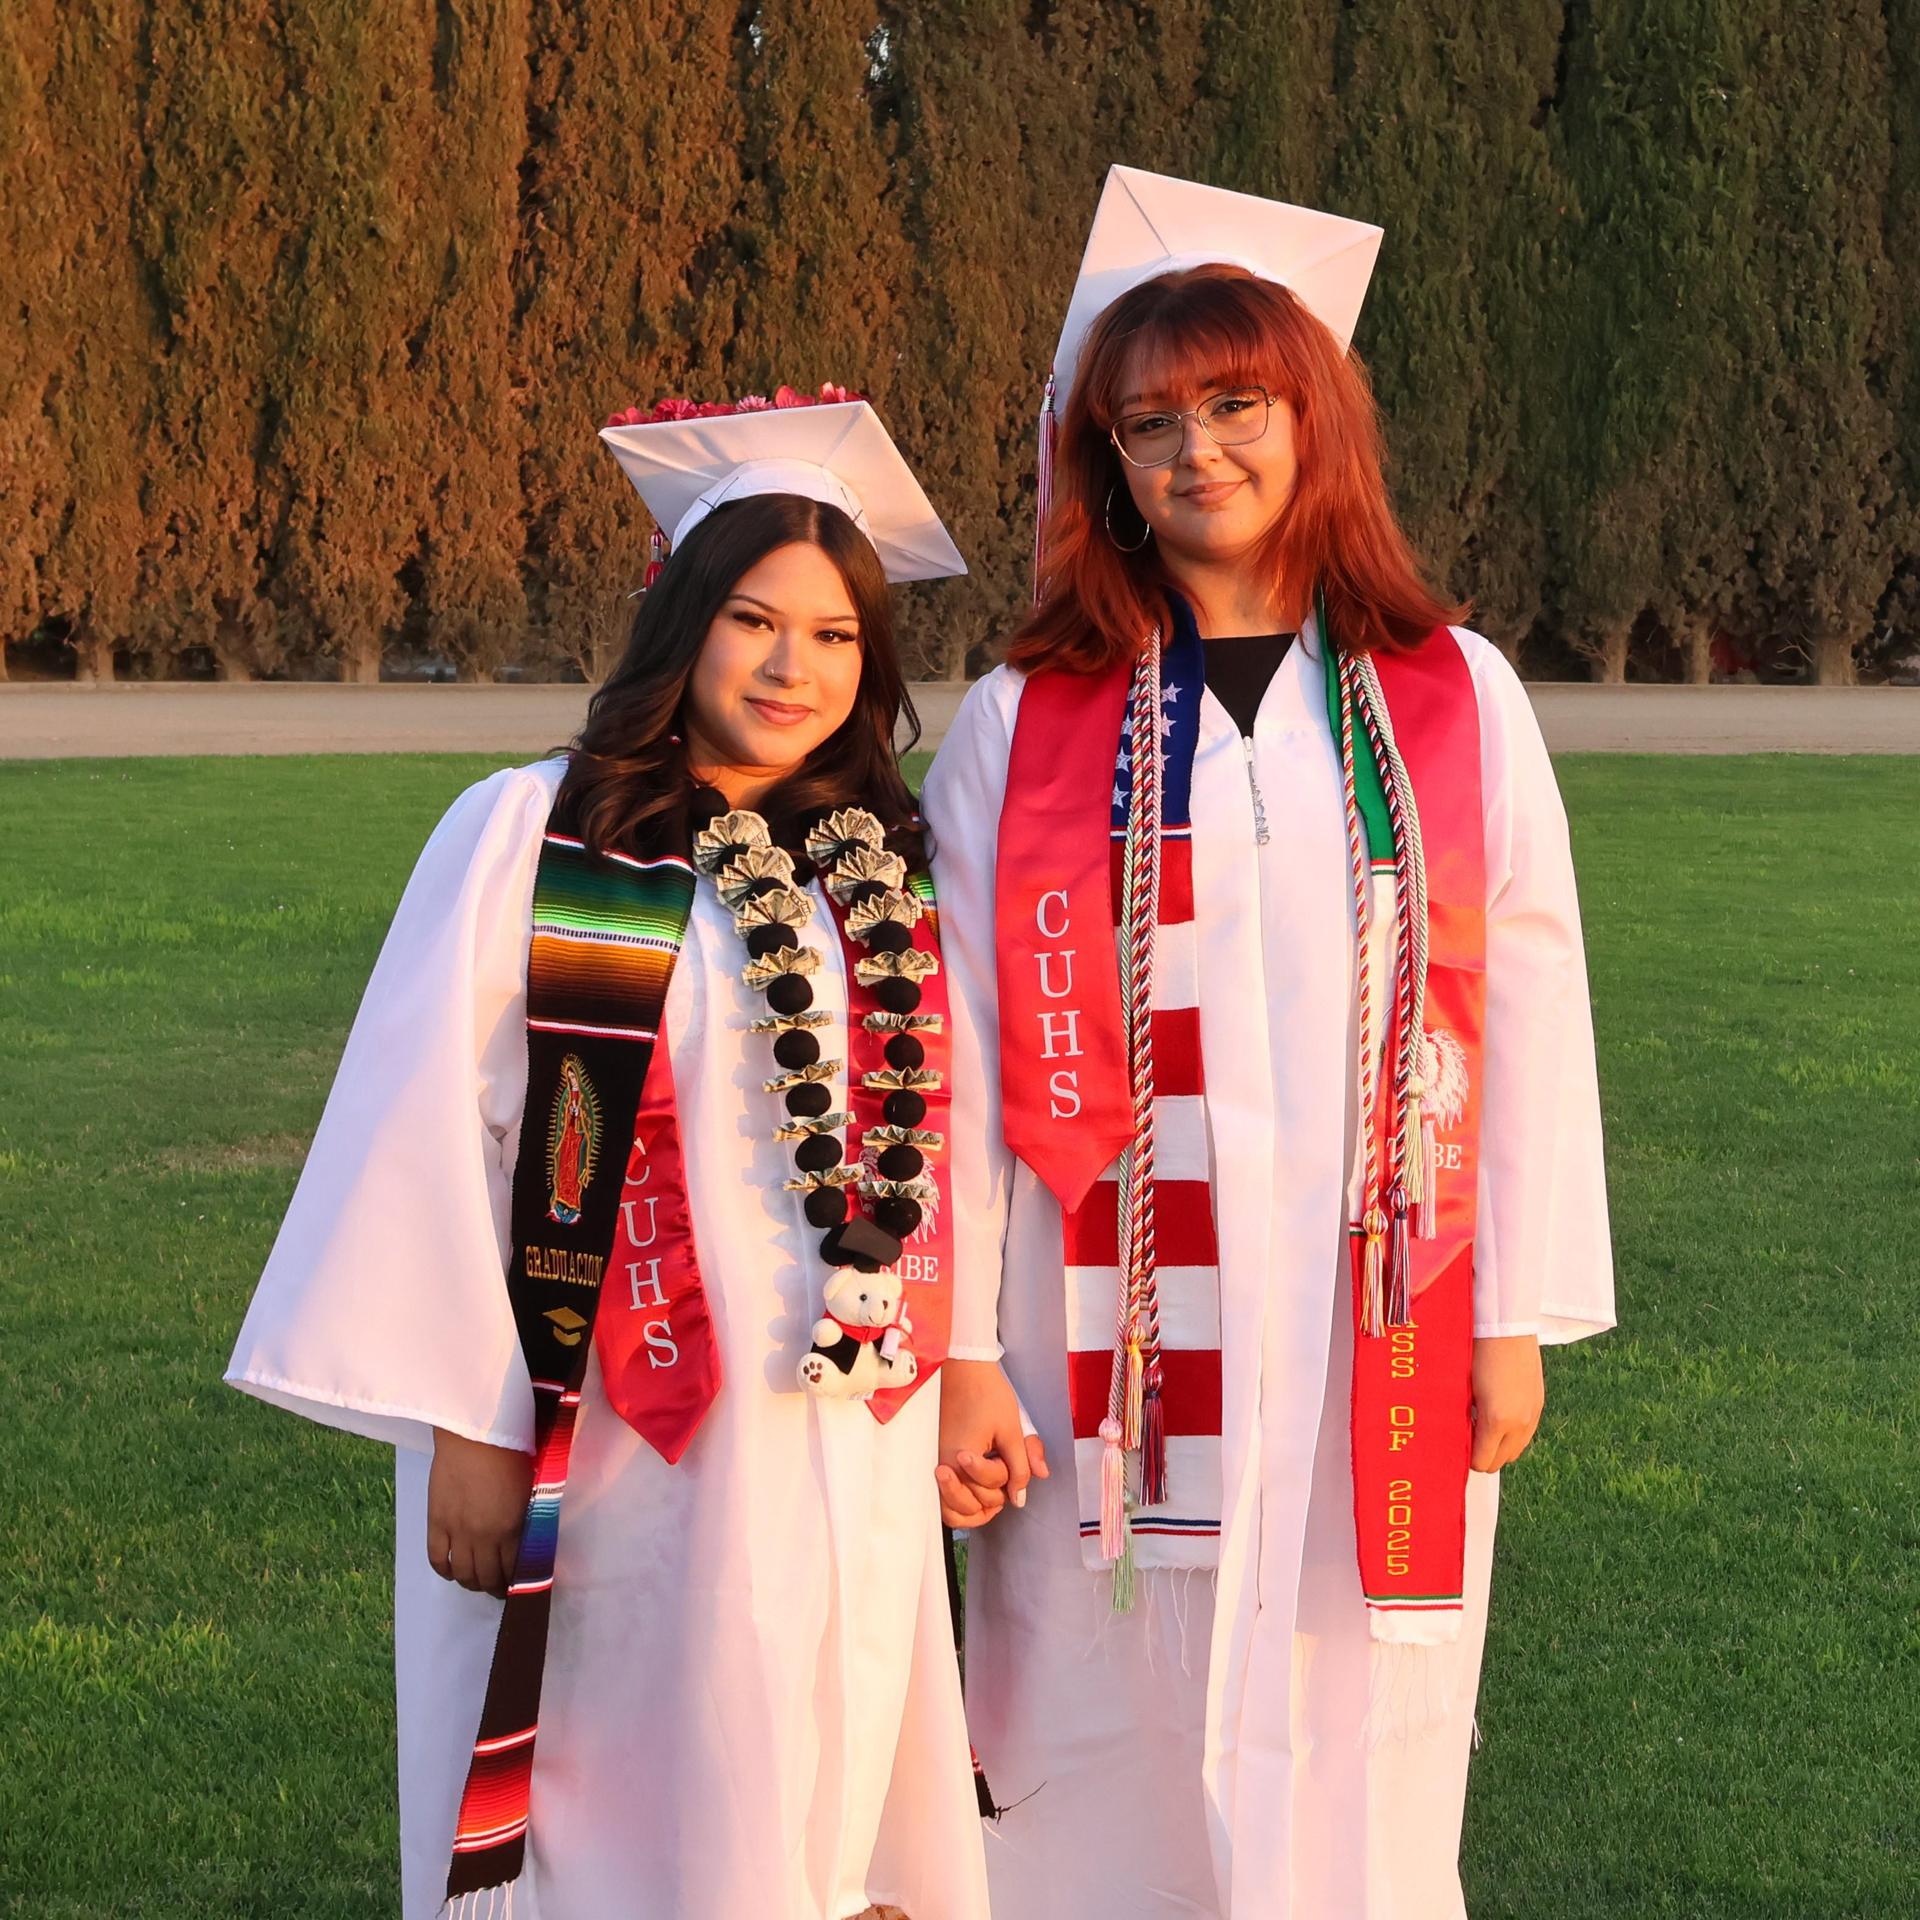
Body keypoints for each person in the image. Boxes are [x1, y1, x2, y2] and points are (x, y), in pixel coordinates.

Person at [925, 166, 1614, 1920]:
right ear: (1106, 466)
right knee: (1102, 1704)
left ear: (1315, 419)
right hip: (1099, 1327)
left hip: (1370, 1304)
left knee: (1360, 1700)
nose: (1198, 451)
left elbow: (1526, 1009)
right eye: (1149, 421)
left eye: (1238, 403)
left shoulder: (1452, 692)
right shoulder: (1025, 724)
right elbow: (969, 1049)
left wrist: (1511, 1313)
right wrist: (959, 1351)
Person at [227, 390, 993, 1920]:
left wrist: (964, 1356)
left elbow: (945, 1148)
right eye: (755, 623)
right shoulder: (536, 835)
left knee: (831, 1755)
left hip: (847, 1423)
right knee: (632, 1778)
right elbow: (427, 1130)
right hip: (624, 1426)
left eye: (837, 637)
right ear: (680, 627)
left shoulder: (886, 873)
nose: (794, 669)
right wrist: (467, 1423)